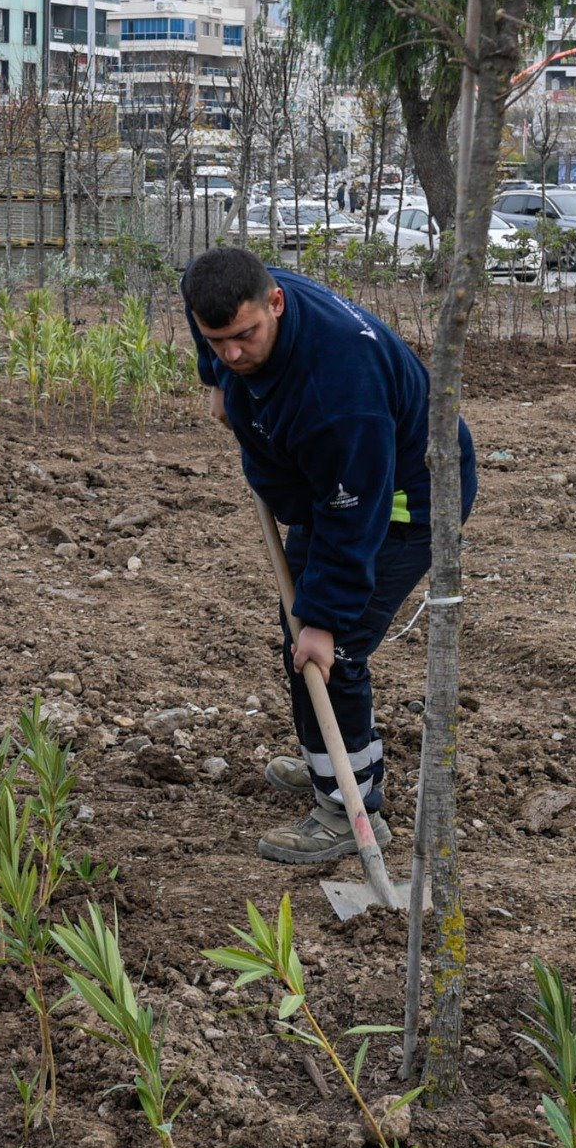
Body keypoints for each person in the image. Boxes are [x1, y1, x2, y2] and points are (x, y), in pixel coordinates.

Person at [183, 248, 477, 864]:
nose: (234, 353)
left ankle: (350, 811)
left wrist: (324, 619)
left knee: (331, 647)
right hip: (334, 485)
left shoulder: (341, 388)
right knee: (300, 634)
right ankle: (337, 768)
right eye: (218, 342)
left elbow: (353, 518)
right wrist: (218, 381)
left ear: (277, 305)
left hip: (402, 500)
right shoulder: (236, 301)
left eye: (245, 338)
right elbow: (212, 327)